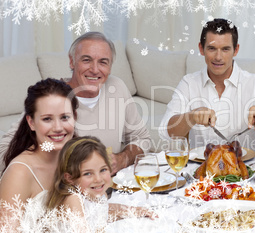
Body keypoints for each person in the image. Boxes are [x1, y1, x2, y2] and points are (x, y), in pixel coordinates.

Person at [0, 32, 151, 175]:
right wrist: (62, 166)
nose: (94, 69)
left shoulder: (117, 87)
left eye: (103, 62)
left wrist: (122, 159)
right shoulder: (52, 95)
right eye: (86, 60)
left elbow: (142, 138)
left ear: (110, 67)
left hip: (109, 187)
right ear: (72, 61)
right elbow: (5, 150)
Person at [159, 18, 255, 150]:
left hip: (247, 168)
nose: (218, 57)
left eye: (225, 49)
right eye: (212, 48)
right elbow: (166, 133)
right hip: (200, 168)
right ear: (201, 49)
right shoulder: (188, 83)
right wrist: (191, 117)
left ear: (236, 50)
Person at [0, 78, 78, 230]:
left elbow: (86, 209)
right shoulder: (20, 172)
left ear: (74, 117)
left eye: (64, 117)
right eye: (47, 119)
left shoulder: (69, 155)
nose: (58, 127)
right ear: (31, 122)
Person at [46, 136, 155, 232]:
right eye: (88, 173)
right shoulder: (73, 199)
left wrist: (133, 210)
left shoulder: (95, 193)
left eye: (103, 170)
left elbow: (103, 211)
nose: (98, 179)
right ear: (70, 178)